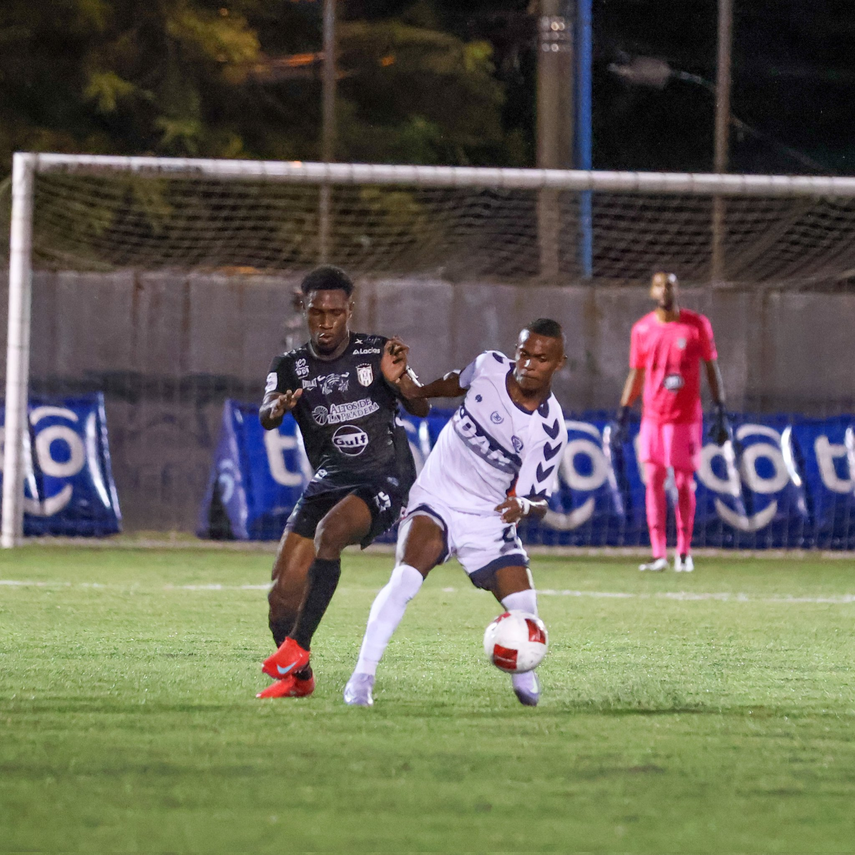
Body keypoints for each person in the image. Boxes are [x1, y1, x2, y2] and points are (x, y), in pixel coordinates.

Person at [343, 318, 568, 708]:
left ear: (558, 364)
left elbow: (539, 501)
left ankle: (523, 665)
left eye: (541, 359)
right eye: (524, 354)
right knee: (404, 580)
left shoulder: (549, 431)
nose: (529, 364)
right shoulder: (490, 367)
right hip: (437, 497)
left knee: (526, 608)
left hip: (488, 516)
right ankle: (361, 678)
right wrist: (421, 389)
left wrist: (523, 506)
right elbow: (457, 381)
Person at [256, 265, 428, 699]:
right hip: (329, 480)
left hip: (384, 476)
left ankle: (298, 647)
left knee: (329, 533)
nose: (326, 322)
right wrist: (277, 407)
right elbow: (267, 416)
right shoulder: (290, 366)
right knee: (280, 600)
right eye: (317, 313)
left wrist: (401, 380)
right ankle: (300, 679)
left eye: (335, 312)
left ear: (350, 310)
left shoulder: (378, 352)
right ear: (305, 309)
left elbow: (422, 407)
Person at [611, 271, 730, 573]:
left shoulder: (696, 325)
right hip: (652, 418)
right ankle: (658, 553)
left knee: (683, 483)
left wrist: (720, 410)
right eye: (660, 285)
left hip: (686, 419)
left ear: (678, 290)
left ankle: (685, 552)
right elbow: (636, 373)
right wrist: (623, 412)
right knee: (652, 481)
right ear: (652, 291)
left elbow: (711, 367)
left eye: (671, 285)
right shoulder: (642, 330)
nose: (665, 290)